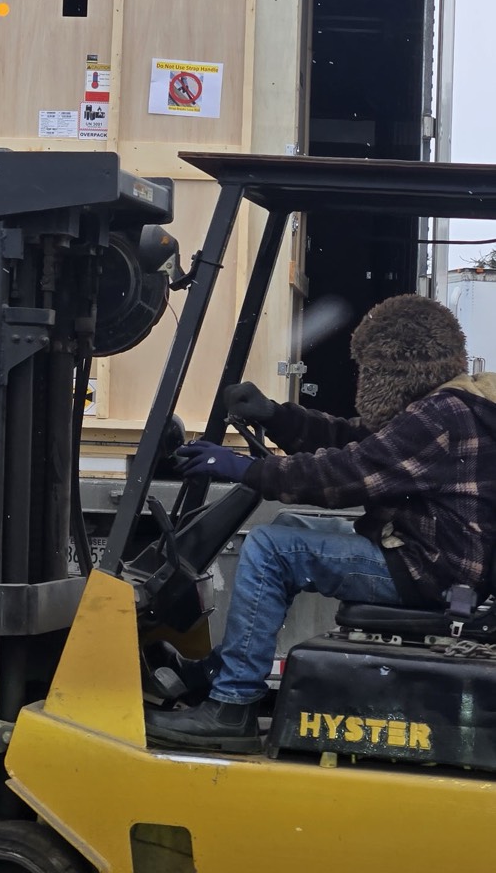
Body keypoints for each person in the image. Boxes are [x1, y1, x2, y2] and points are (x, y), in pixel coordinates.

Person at [144, 294, 496, 752]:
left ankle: (232, 706)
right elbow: (357, 441)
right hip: (430, 561)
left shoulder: (440, 416)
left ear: (390, 368)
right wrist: (277, 417)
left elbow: (344, 475)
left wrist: (242, 468)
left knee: (272, 547)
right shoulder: (451, 404)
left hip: (428, 573)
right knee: (289, 523)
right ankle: (224, 667)